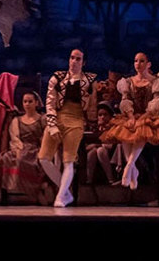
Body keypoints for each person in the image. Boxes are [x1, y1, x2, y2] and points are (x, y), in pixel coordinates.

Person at [100, 52, 159, 190]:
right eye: (136, 61)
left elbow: (156, 103)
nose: (138, 64)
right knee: (125, 128)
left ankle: (129, 165)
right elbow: (125, 100)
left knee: (143, 128)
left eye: (142, 61)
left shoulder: (156, 82)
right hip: (132, 115)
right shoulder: (128, 82)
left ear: (148, 64)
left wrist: (142, 118)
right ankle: (133, 168)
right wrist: (131, 117)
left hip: (148, 116)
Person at [38, 48, 98, 207]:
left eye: (78, 59)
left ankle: (60, 196)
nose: (74, 61)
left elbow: (92, 106)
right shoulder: (57, 78)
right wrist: (52, 125)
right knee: (43, 158)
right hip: (57, 119)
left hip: (76, 120)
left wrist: (92, 123)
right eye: (72, 58)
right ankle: (66, 192)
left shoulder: (90, 81)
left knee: (68, 160)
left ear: (83, 62)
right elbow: (50, 102)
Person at [0, 91, 48, 204]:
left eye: (30, 101)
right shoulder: (17, 120)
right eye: (25, 101)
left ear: (36, 103)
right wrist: (18, 149)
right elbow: (14, 137)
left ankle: (34, 191)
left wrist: (42, 150)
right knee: (5, 158)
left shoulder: (42, 119)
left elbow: (45, 137)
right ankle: (5, 192)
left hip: (35, 149)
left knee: (24, 161)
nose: (27, 104)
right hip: (19, 146)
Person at [86, 102, 118, 186]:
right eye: (100, 115)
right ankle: (89, 180)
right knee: (92, 152)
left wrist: (97, 145)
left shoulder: (114, 128)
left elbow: (112, 145)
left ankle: (111, 179)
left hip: (111, 155)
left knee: (100, 150)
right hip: (96, 154)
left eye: (105, 114)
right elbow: (87, 146)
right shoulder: (94, 129)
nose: (102, 117)